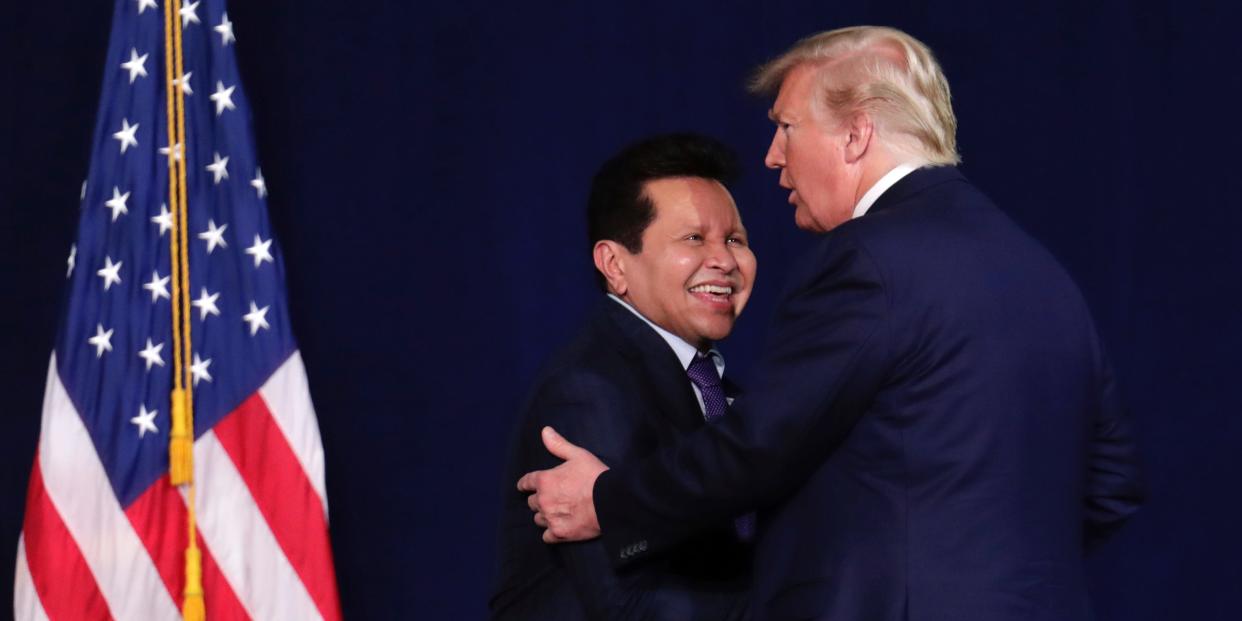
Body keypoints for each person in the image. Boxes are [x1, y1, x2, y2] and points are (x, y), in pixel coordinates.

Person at [518, 26, 1144, 621]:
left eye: (787, 127)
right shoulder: (1042, 271)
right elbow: (1111, 484)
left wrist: (608, 502)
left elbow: (761, 446)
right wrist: (980, 569)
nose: (772, 157)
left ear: (855, 135)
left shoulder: (869, 260)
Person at [491, 133, 757, 620]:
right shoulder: (591, 389)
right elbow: (630, 607)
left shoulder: (726, 394)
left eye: (735, 239)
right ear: (615, 264)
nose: (724, 261)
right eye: (694, 238)